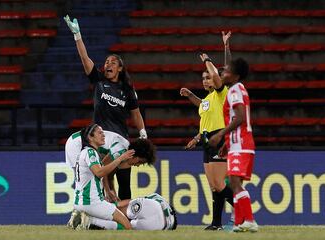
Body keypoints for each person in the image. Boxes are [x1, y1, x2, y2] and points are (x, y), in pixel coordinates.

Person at [64, 15, 147, 201]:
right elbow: (84, 58)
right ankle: (103, 211)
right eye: (107, 62)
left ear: (120, 69)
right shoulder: (99, 80)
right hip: (100, 139)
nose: (108, 64)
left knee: (124, 180)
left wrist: (143, 133)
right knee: (101, 178)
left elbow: (136, 113)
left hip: (119, 139)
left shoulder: (128, 90)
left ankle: (125, 215)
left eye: (113, 62)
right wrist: (77, 35)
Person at [179, 32, 234, 231]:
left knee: (219, 184)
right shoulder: (209, 99)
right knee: (214, 186)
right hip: (206, 140)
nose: (205, 80)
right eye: (203, 78)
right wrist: (190, 95)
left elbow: (226, 71)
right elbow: (203, 111)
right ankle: (217, 223)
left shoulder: (222, 93)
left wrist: (218, 53)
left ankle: (243, 211)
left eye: (208, 77)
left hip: (218, 138)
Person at [66, 124, 156, 229]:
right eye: (140, 162)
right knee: (84, 180)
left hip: (79, 140)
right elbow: (103, 169)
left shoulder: (123, 150)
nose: (138, 165)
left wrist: (109, 190)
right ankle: (80, 217)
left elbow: (107, 171)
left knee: (88, 181)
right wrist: (107, 191)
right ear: (135, 155)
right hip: (76, 144)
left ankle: (84, 219)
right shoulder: (120, 152)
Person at [209, 58, 258, 232]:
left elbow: (239, 118)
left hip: (241, 144)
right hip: (239, 143)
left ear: (235, 76)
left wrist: (220, 134)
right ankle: (239, 222)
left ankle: (250, 220)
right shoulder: (239, 87)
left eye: (227, 71)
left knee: (235, 184)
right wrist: (226, 144)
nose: (223, 73)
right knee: (234, 182)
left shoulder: (234, 90)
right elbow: (232, 65)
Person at [71, 124, 134, 230]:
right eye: (100, 133)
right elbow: (99, 172)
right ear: (90, 137)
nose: (103, 135)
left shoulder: (85, 152)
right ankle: (87, 221)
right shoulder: (90, 152)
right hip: (91, 202)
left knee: (113, 225)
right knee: (127, 226)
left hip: (82, 202)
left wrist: (108, 191)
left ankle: (87, 221)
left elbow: (100, 173)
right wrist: (119, 159)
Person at [76, 193, 177, 231]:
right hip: (160, 226)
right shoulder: (170, 221)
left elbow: (129, 202)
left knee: (121, 215)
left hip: (153, 207)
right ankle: (89, 221)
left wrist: (112, 205)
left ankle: (88, 219)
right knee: (126, 227)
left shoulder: (157, 200)